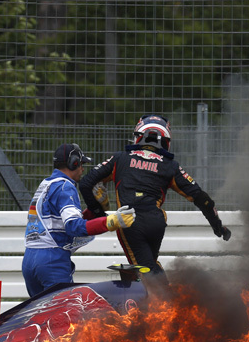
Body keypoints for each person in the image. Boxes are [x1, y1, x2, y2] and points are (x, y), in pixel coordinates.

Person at [79, 115, 231, 276]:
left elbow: (85, 183)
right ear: (165, 140)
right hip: (156, 223)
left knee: (147, 273)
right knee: (150, 267)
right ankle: (173, 299)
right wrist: (217, 226)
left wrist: (98, 213)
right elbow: (203, 199)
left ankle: (169, 300)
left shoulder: (120, 158)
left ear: (138, 135)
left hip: (129, 222)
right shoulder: (171, 166)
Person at [22, 143, 136, 296]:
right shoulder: (65, 186)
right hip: (52, 261)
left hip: (30, 260)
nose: (83, 169)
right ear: (73, 163)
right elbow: (73, 227)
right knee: (61, 316)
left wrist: (93, 211)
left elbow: (61, 222)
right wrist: (111, 222)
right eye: (81, 164)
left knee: (40, 316)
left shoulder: (46, 184)